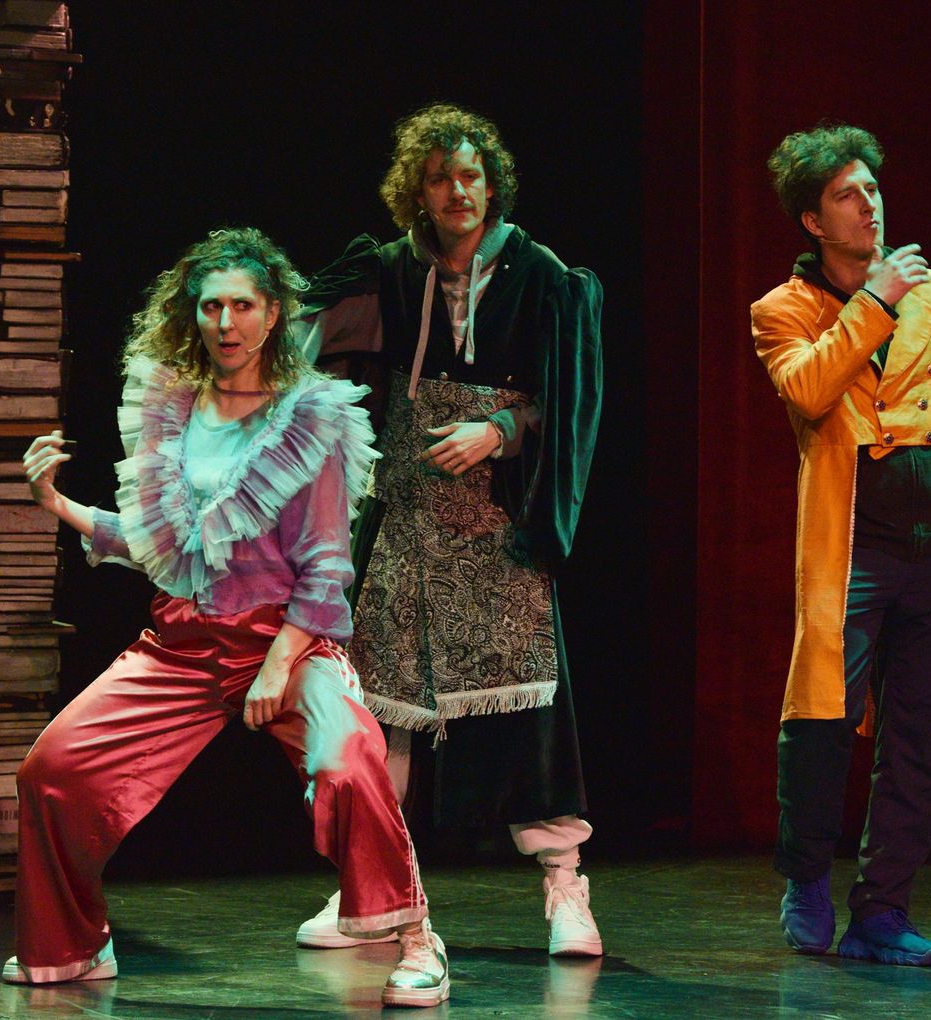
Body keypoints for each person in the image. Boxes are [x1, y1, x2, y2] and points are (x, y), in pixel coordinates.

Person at [10, 229, 449, 1008]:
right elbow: (159, 543)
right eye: (211, 306)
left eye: (242, 305)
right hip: (181, 642)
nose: (225, 322)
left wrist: (278, 667)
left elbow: (325, 568)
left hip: (286, 639)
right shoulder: (172, 409)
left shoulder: (311, 418)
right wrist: (58, 503)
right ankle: (76, 944)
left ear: (273, 313)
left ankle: (417, 940)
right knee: (54, 770)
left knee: (349, 762)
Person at [289, 103, 604, 957]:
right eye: (440, 178)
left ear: (492, 186)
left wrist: (499, 430)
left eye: (471, 175)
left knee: (532, 707)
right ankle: (368, 889)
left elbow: (569, 400)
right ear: (417, 192)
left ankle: (566, 887)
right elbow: (308, 343)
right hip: (406, 517)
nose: (458, 190)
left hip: (498, 526)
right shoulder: (390, 271)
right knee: (380, 711)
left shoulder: (541, 276)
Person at [750, 122, 931, 967]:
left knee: (918, 733)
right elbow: (809, 389)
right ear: (813, 221)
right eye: (846, 195)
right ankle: (806, 878)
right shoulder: (781, 310)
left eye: (871, 188)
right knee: (822, 720)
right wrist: (874, 302)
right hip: (854, 539)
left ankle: (882, 911)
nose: (867, 205)